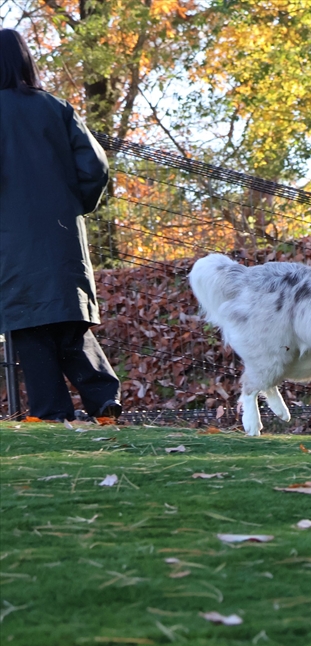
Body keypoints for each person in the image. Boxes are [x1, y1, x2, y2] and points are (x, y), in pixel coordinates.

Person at [0, 28, 122, 422]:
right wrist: (72, 205)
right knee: (69, 322)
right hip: (62, 236)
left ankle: (51, 414)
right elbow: (96, 168)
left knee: (30, 327)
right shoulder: (57, 108)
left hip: (9, 245)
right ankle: (105, 402)